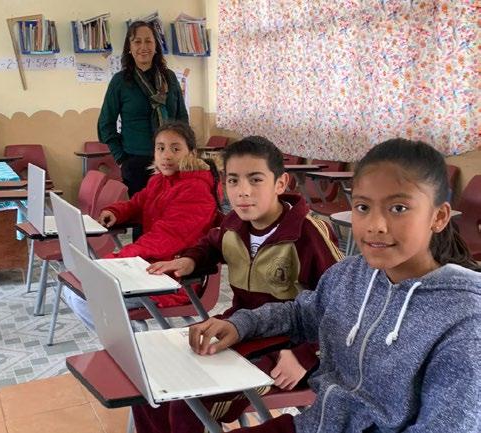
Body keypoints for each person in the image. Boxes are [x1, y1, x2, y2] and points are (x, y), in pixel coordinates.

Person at [189, 138, 481, 433]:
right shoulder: (350, 274)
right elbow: (300, 314)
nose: (375, 225)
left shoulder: (464, 319)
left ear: (438, 217)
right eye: (363, 207)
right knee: (179, 399)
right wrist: (240, 324)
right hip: (315, 424)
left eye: (399, 208)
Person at [134, 136, 343, 433]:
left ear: (280, 183)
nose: (243, 191)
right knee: (152, 381)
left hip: (289, 350)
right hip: (239, 328)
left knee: (187, 401)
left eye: (255, 180)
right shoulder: (233, 224)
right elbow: (210, 244)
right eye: (233, 180)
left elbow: (343, 308)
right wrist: (190, 260)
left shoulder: (309, 233)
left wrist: (305, 355)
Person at [63, 121, 221, 330]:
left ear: (191, 152)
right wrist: (116, 212)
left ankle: (131, 341)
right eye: (160, 148)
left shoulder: (196, 189)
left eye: (175, 149)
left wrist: (117, 260)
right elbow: (137, 203)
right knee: (74, 289)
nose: (166, 155)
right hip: (149, 267)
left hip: (174, 278)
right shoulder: (159, 181)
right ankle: (130, 336)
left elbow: (164, 238)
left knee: (84, 297)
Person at [97, 20, 188, 199]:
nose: (143, 47)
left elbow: (182, 119)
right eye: (137, 41)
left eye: (148, 41)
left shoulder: (169, 78)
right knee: (143, 212)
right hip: (136, 162)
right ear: (129, 48)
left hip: (171, 160)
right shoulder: (120, 81)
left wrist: (185, 153)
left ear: (156, 46)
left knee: (172, 210)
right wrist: (122, 159)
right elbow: (105, 125)